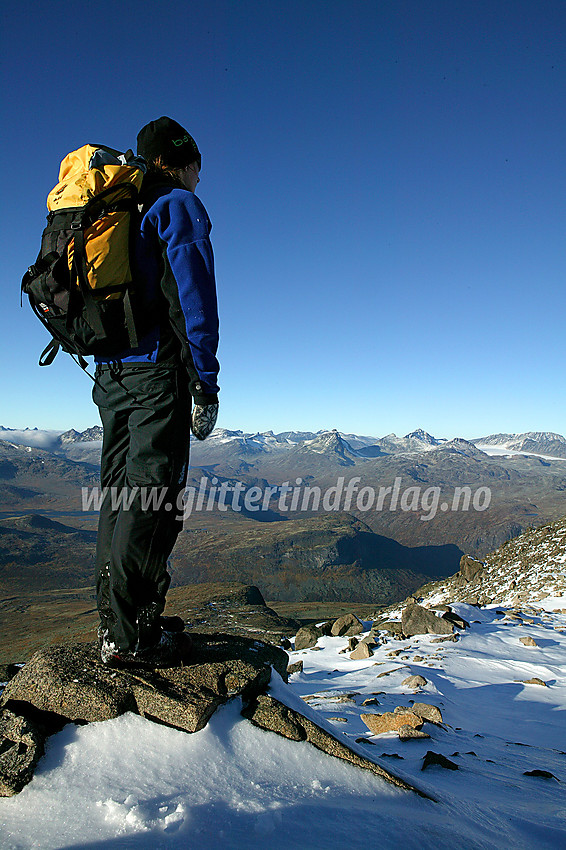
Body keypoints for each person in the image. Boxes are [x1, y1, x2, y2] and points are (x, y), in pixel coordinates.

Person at [93, 117, 220, 668]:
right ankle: (131, 638)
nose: (200, 178)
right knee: (153, 498)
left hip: (111, 376)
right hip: (157, 378)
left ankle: (119, 622)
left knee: (121, 496)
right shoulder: (176, 205)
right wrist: (205, 381)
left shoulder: (117, 208)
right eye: (198, 167)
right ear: (183, 160)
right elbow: (194, 299)